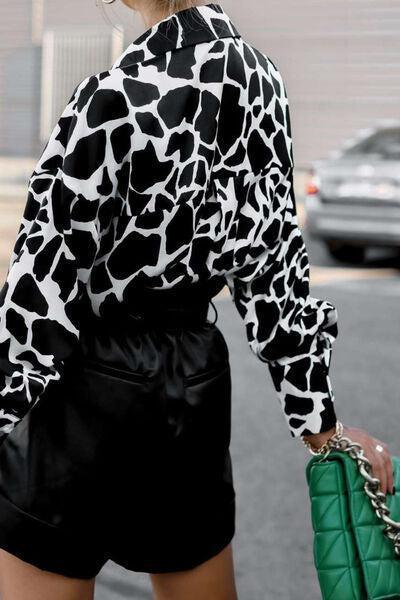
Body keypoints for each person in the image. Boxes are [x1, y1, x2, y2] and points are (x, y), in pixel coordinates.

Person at [0, 1, 393, 599]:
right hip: (193, 382)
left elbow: (41, 293)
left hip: (84, 388)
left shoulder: (113, 95)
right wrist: (322, 426)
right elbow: (274, 270)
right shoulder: (260, 84)